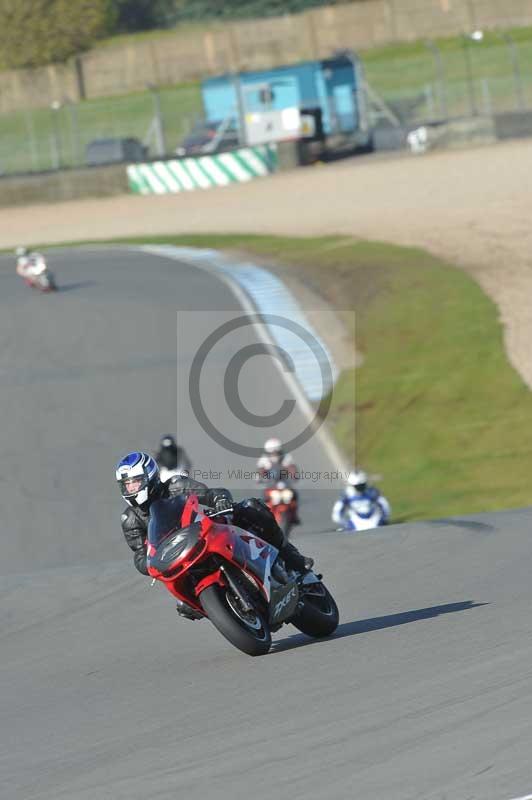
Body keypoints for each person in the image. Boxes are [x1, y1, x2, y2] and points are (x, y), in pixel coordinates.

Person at [116, 451, 313, 620]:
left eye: (135, 482)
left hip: (204, 533)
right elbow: (141, 554)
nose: (131, 488)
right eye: (127, 485)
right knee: (184, 607)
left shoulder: (176, 485)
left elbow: (210, 494)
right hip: (179, 559)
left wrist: (220, 500)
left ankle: (292, 558)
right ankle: (226, 611)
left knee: (252, 508)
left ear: (149, 476)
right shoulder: (130, 519)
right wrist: (147, 564)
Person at [257, 437, 300, 524]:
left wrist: (294, 475)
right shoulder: (264, 459)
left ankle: (294, 515)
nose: (274, 455)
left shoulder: (286, 457)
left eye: (276, 452)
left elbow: (292, 467)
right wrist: (259, 477)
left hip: (285, 485)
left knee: (294, 495)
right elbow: (260, 470)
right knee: (263, 501)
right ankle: (265, 517)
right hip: (271, 486)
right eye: (271, 453)